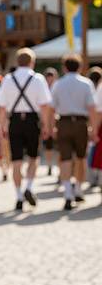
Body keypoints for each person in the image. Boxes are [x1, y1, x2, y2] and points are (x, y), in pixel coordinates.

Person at [0, 48, 51, 211]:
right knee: (33, 158)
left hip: (15, 121)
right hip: (32, 121)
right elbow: (45, 105)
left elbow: (2, 108)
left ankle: (19, 196)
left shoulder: (8, 79)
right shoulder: (38, 79)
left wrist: (2, 126)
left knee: (16, 161)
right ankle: (29, 187)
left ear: (17, 62)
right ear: (32, 62)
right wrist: (46, 125)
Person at [50, 54, 98, 210]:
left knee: (65, 159)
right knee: (80, 157)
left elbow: (51, 108)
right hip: (80, 123)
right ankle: (78, 188)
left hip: (63, 122)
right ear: (80, 67)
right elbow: (92, 108)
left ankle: (68, 193)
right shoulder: (86, 84)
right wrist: (94, 128)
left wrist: (51, 127)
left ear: (64, 67)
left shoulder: (58, 84)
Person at [43, 67, 58, 177]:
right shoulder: (43, 89)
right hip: (45, 120)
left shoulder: (59, 88)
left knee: (58, 146)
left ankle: (58, 167)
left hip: (58, 120)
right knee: (48, 145)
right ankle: (49, 165)